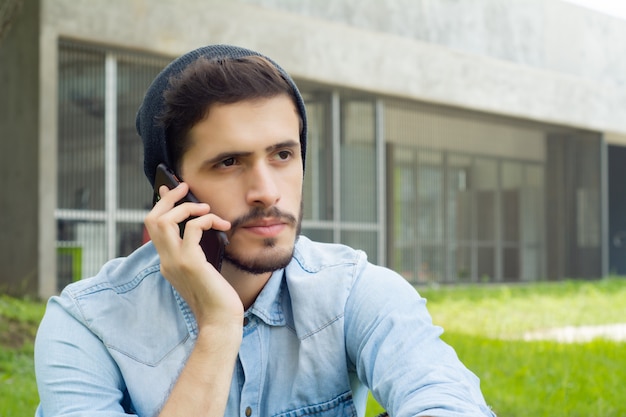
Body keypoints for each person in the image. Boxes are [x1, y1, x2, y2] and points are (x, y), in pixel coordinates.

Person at [34, 44, 496, 417]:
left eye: (283, 155)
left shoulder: (352, 292)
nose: (266, 191)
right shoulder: (86, 324)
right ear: (169, 190)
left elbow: (447, 400)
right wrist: (218, 328)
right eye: (229, 162)